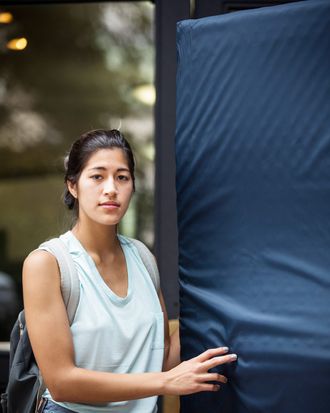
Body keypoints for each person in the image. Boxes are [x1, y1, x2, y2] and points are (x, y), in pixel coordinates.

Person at [22, 129, 237, 413]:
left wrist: (220, 303)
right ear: (73, 185)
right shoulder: (48, 264)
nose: (111, 188)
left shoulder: (143, 258)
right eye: (97, 176)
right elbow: (61, 381)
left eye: (122, 177)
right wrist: (164, 382)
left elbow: (160, 360)